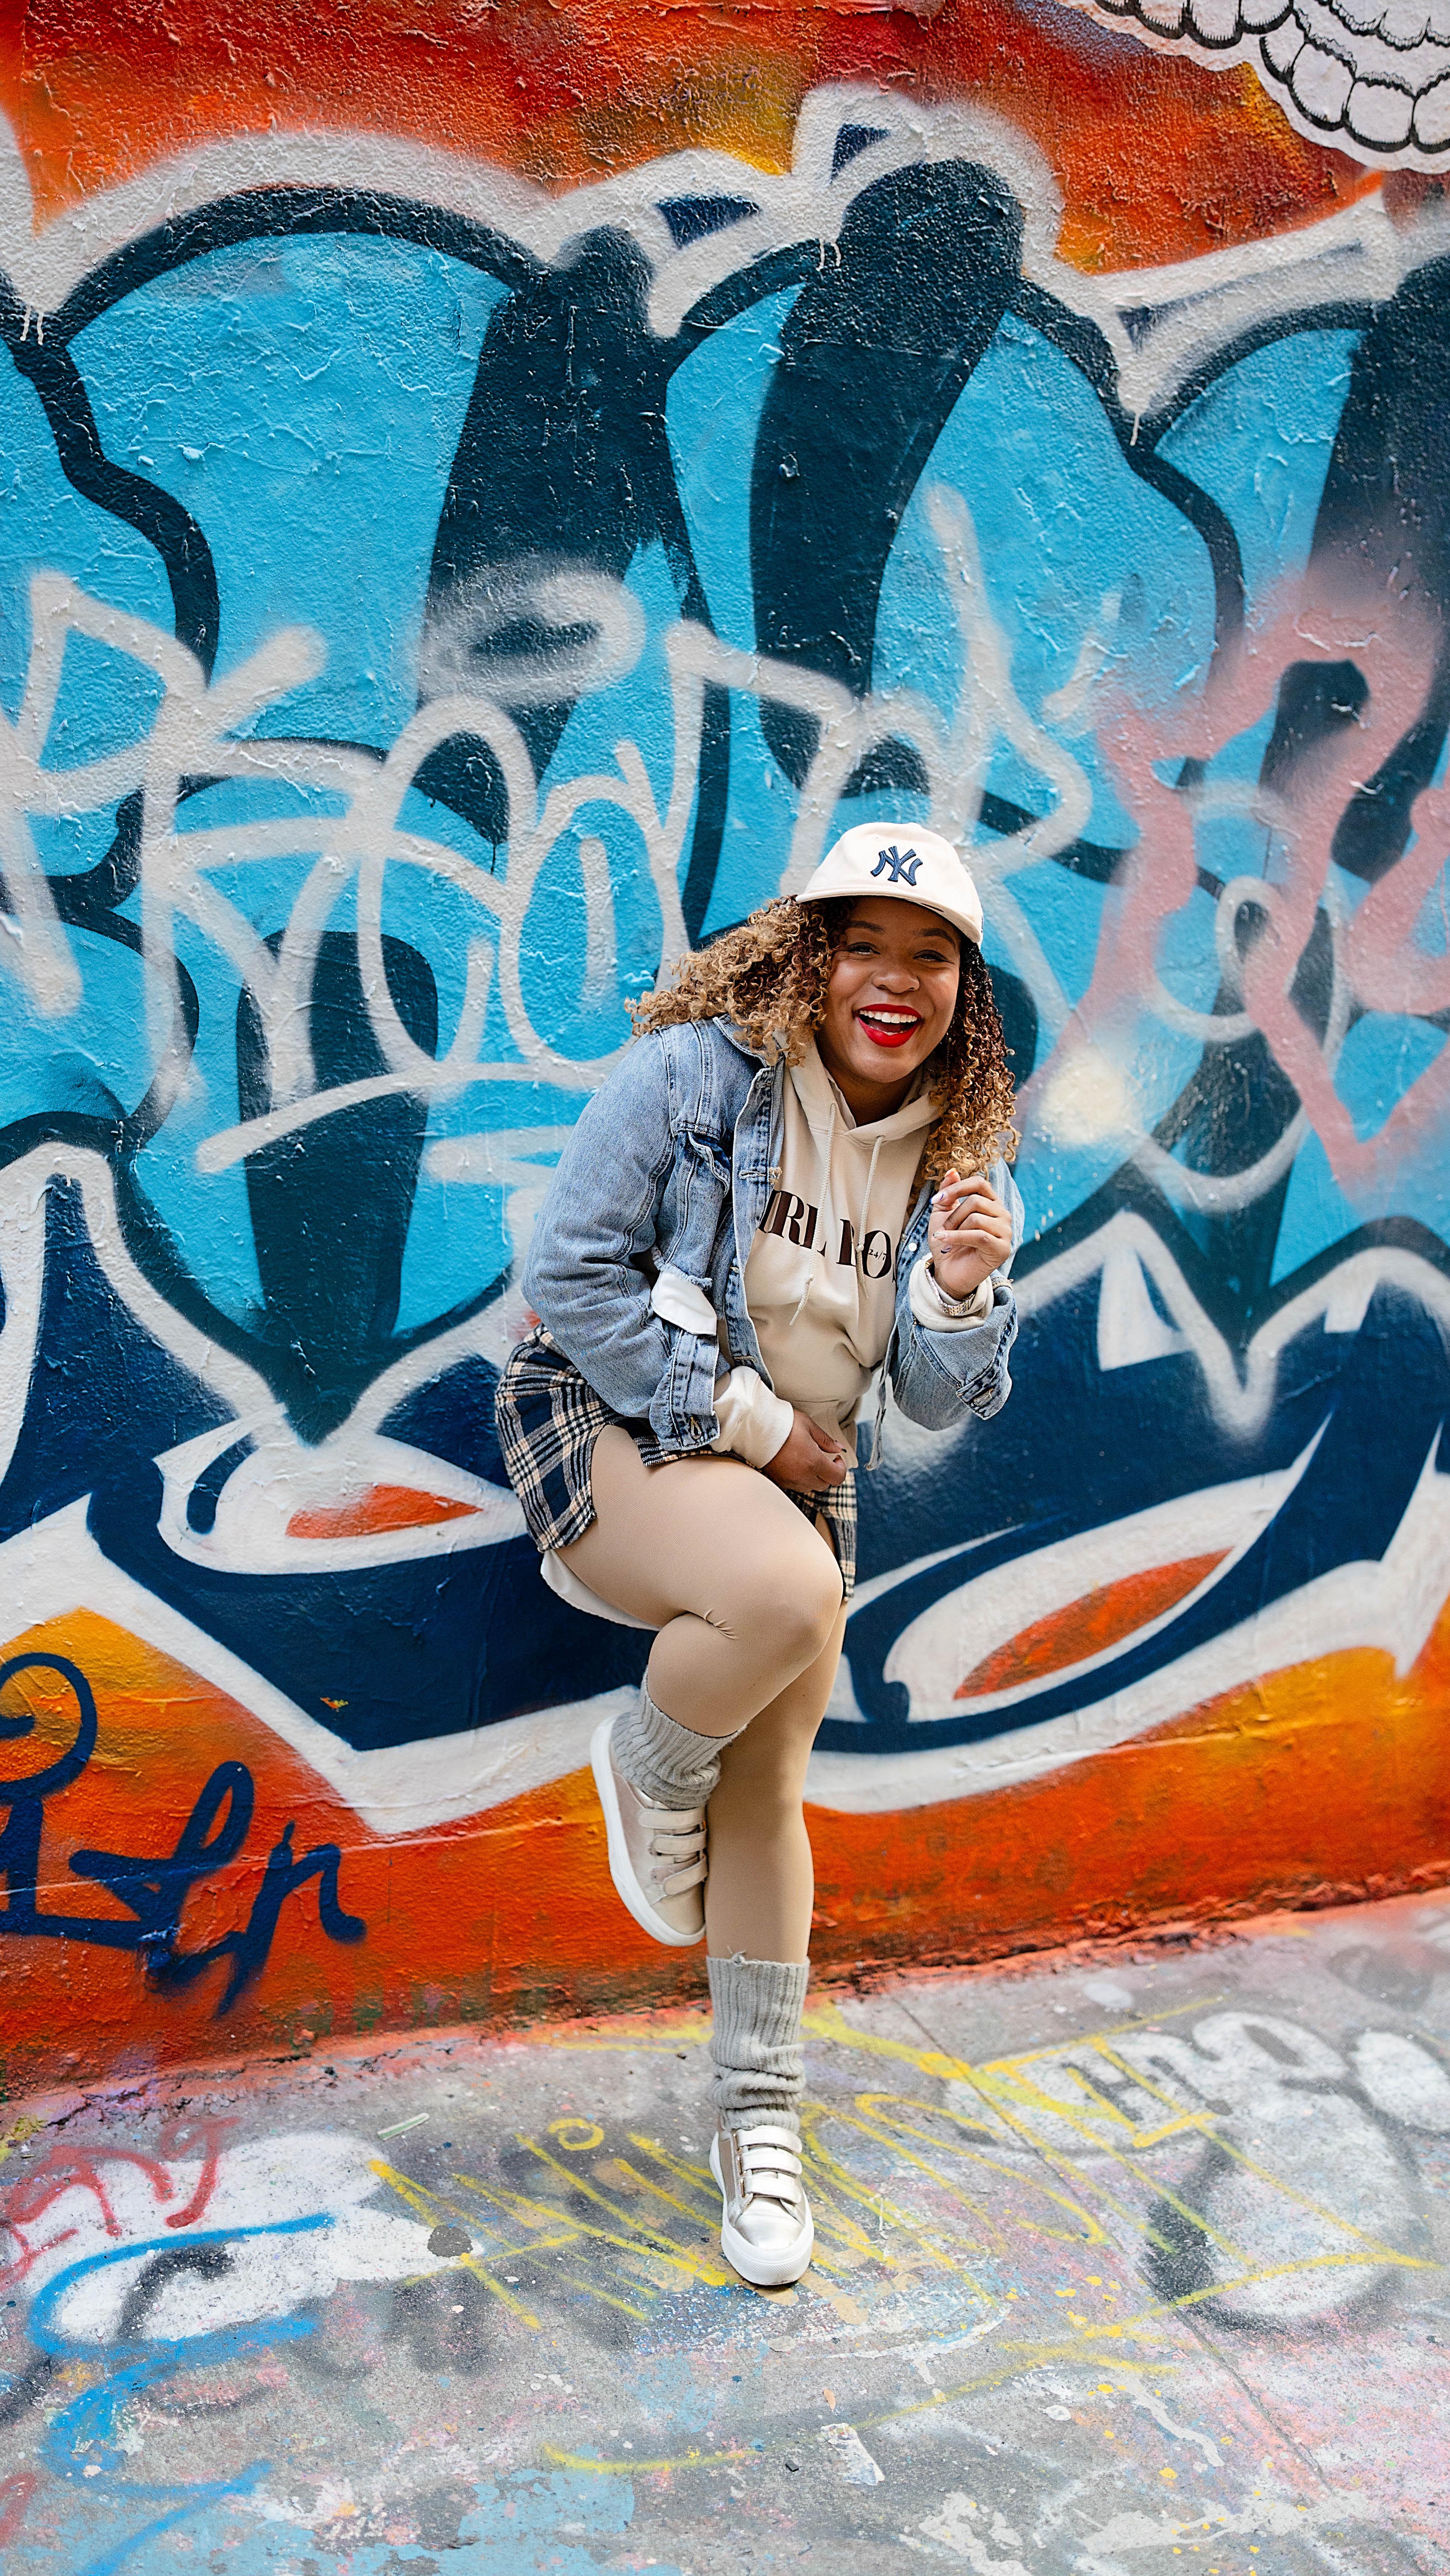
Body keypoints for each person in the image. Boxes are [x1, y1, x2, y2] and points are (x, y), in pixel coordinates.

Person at [496, 823, 1022, 2287]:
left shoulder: (957, 1167)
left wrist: (964, 1296)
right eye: (864, 944)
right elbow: (569, 1275)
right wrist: (751, 1421)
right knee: (788, 1595)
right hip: (609, 1423)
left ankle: (757, 2124)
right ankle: (649, 1763)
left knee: (775, 1783)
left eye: (930, 959)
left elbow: (923, 1396)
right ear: (810, 954)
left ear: (961, 995)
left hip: (788, 1480)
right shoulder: (700, 1081)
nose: (893, 981)